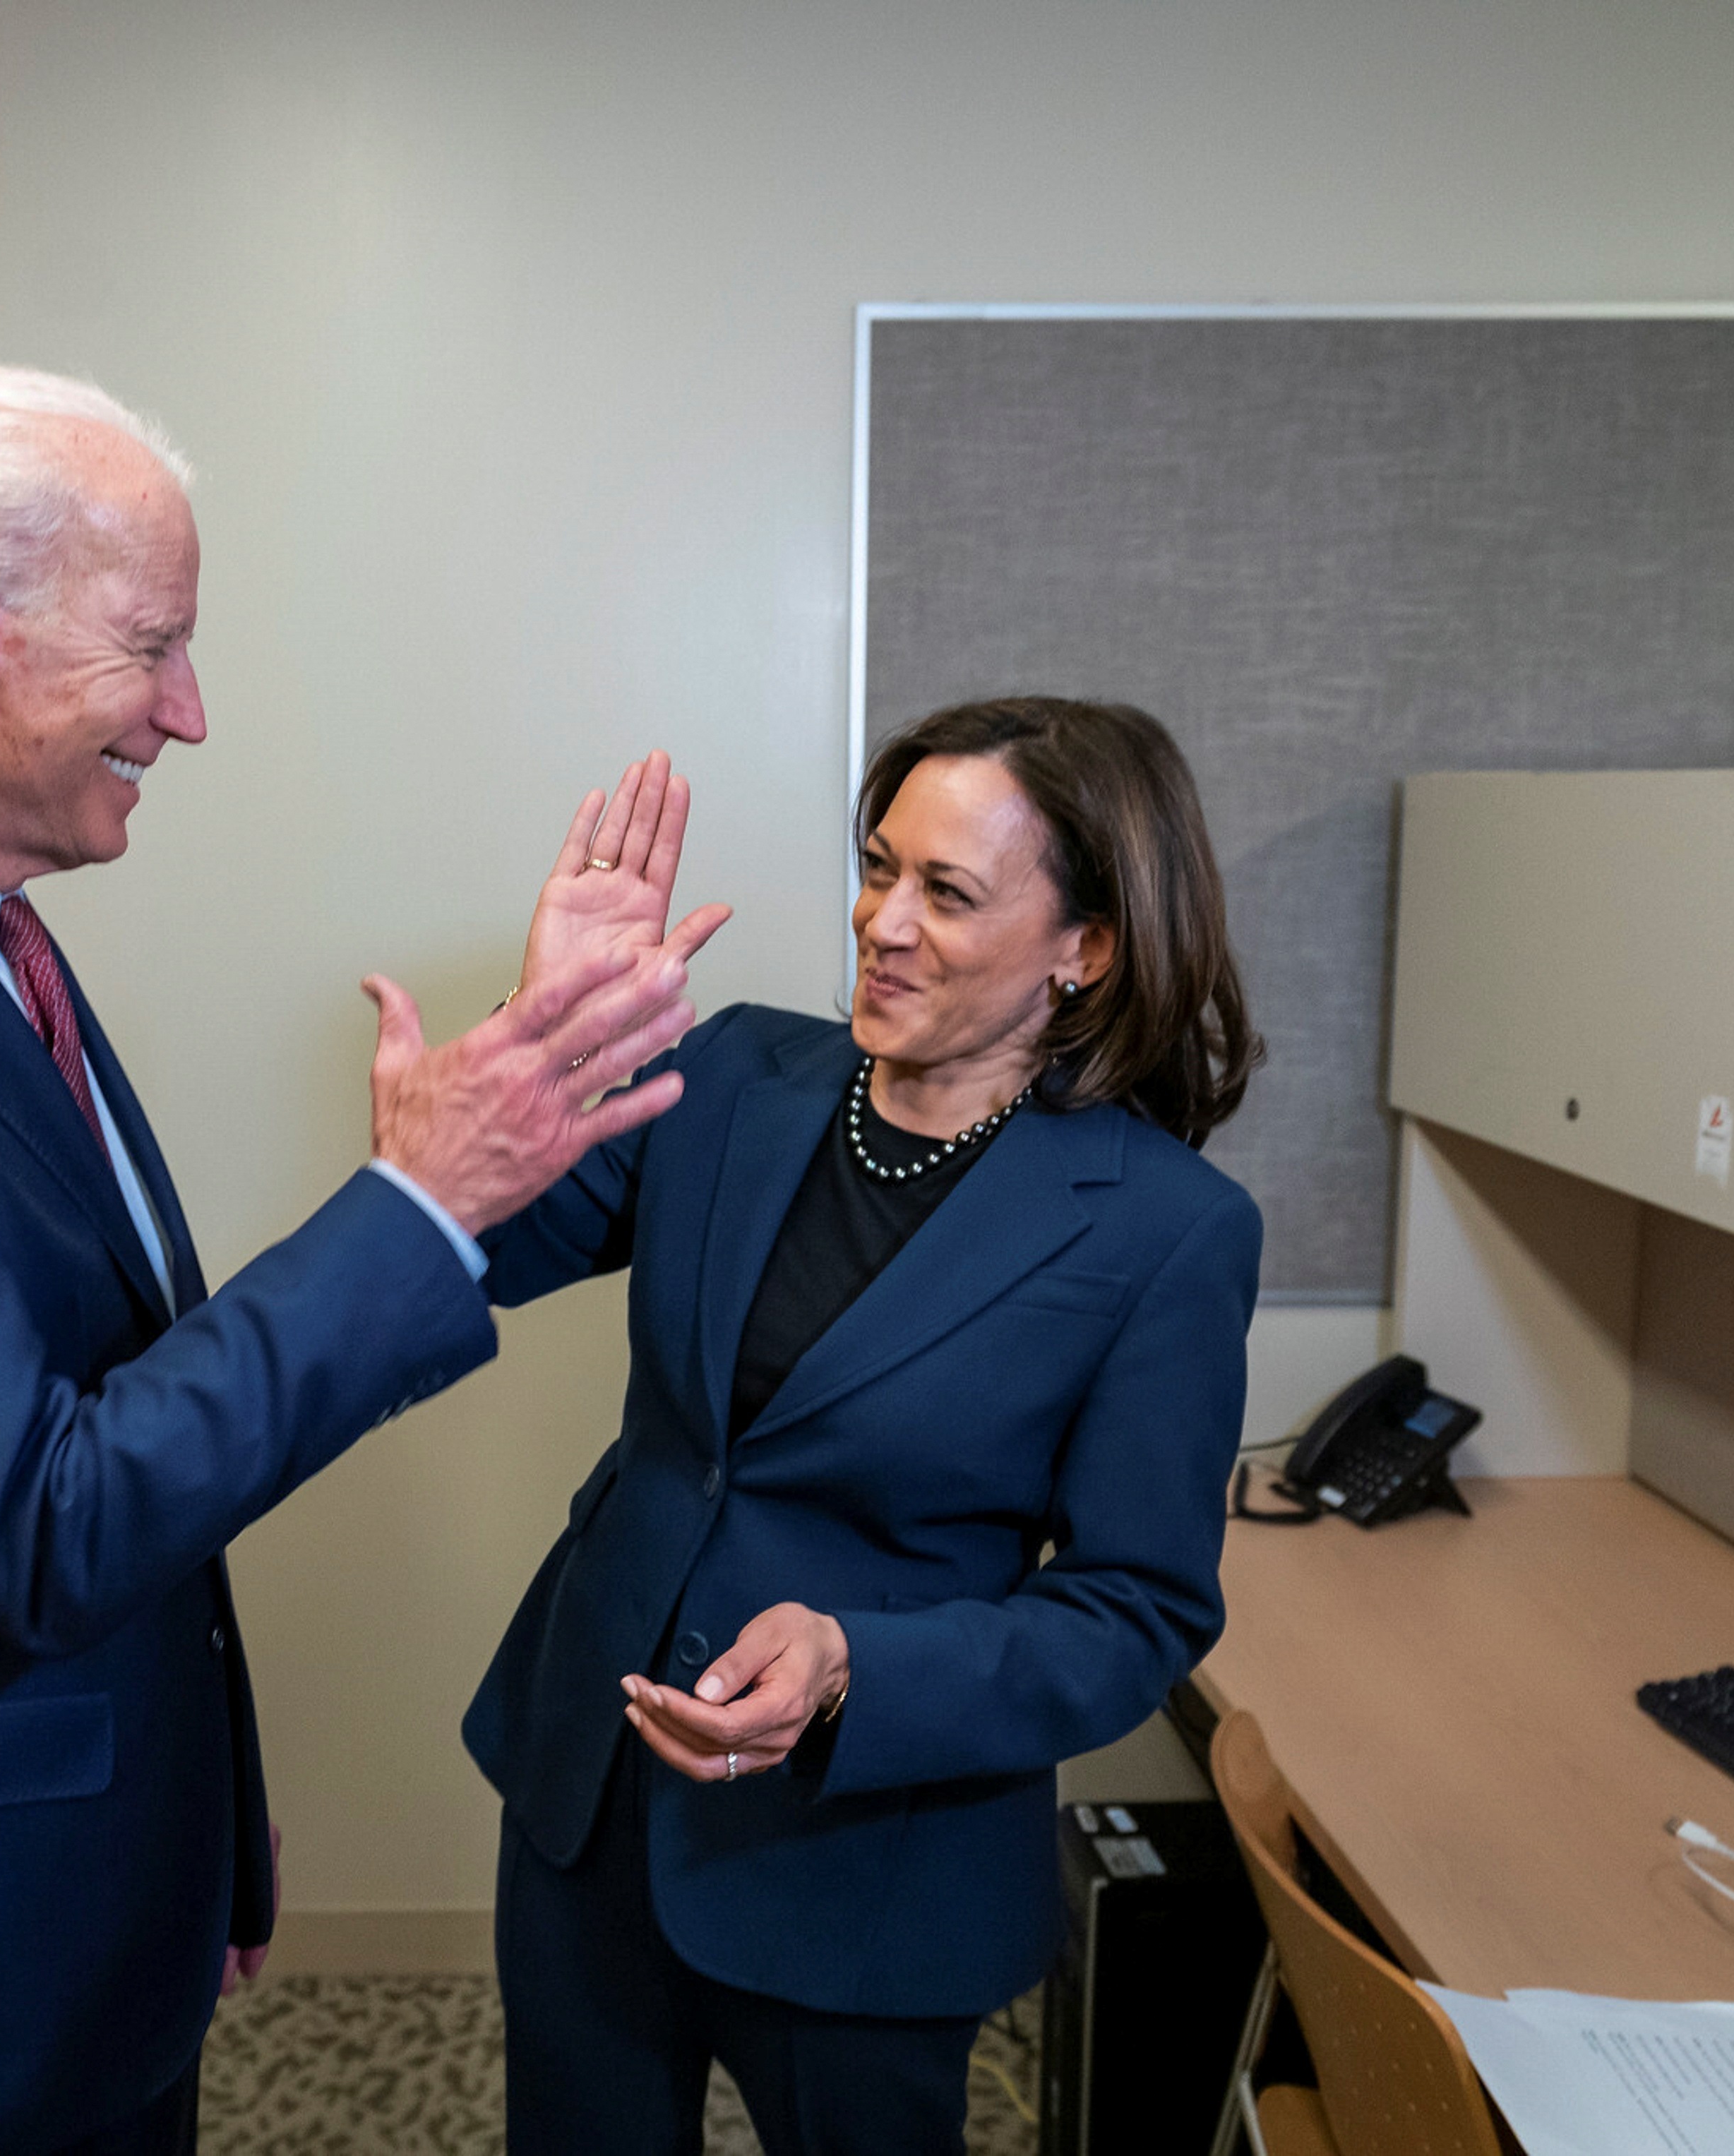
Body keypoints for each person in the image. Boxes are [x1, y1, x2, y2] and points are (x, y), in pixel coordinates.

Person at [0, 366, 722, 2156]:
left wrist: (200, 1819)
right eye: (154, 645)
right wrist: (414, 1203)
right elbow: (46, 1514)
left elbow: (97, 1401)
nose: (187, 713)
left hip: (63, 1894)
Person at [464, 695, 1267, 2155]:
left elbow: (1131, 1612)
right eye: (877, 866)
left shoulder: (1162, 1231)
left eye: (945, 892)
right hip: (593, 1794)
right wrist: (543, 1040)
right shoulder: (728, 1081)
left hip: (866, 1862)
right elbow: (479, 1256)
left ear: (1085, 949)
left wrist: (855, 1666)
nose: (880, 922)